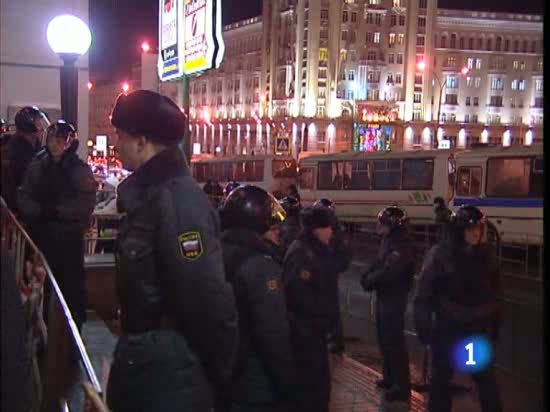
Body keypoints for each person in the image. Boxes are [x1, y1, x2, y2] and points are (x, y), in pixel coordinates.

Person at [105, 90, 239, 412]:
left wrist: (216, 372)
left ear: (142, 141)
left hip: (171, 375)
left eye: (121, 136)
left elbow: (204, 297)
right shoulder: (152, 195)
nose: (116, 144)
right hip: (152, 366)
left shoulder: (177, 200)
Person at [413, 205, 502, 412]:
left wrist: (495, 321)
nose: (476, 234)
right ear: (459, 230)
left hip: (476, 330)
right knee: (441, 380)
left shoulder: (487, 256)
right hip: (448, 329)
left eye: (479, 229)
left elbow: (496, 291)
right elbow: (424, 292)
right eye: (471, 229)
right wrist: (424, 327)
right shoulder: (440, 255)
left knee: (485, 380)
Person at [219, 185, 297, 411]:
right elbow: (272, 332)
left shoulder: (218, 251)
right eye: (271, 226)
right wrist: (288, 385)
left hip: (223, 371)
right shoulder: (260, 266)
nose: (277, 232)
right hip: (254, 380)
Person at [17, 120, 97, 331]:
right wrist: (39, 211)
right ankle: (40, 328)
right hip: (41, 235)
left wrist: (58, 211)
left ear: (69, 143)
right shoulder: (38, 166)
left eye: (59, 141)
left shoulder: (79, 170)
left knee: (71, 288)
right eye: (52, 140)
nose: (54, 145)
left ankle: (72, 330)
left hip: (68, 238)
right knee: (40, 286)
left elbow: (85, 203)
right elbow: (24, 195)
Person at [283, 205, 351, 412]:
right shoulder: (302, 254)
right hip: (306, 333)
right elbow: (298, 295)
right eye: (327, 227)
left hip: (316, 332)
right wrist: (319, 319)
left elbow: (341, 263)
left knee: (320, 388)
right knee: (310, 389)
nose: (331, 232)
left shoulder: (319, 250)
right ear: (316, 229)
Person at [360, 206, 414, 402]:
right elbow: (379, 263)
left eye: (382, 223)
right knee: (384, 337)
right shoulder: (388, 241)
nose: (378, 225)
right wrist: (367, 276)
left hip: (394, 296)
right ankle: (390, 377)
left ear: (391, 225)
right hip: (385, 295)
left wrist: (371, 280)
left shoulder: (402, 245)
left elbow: (390, 271)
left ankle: (401, 385)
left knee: (394, 340)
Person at [1, 106, 50, 214]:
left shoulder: (35, 145)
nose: (42, 127)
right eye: (38, 123)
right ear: (29, 126)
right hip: (20, 204)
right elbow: (26, 179)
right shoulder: (16, 150)